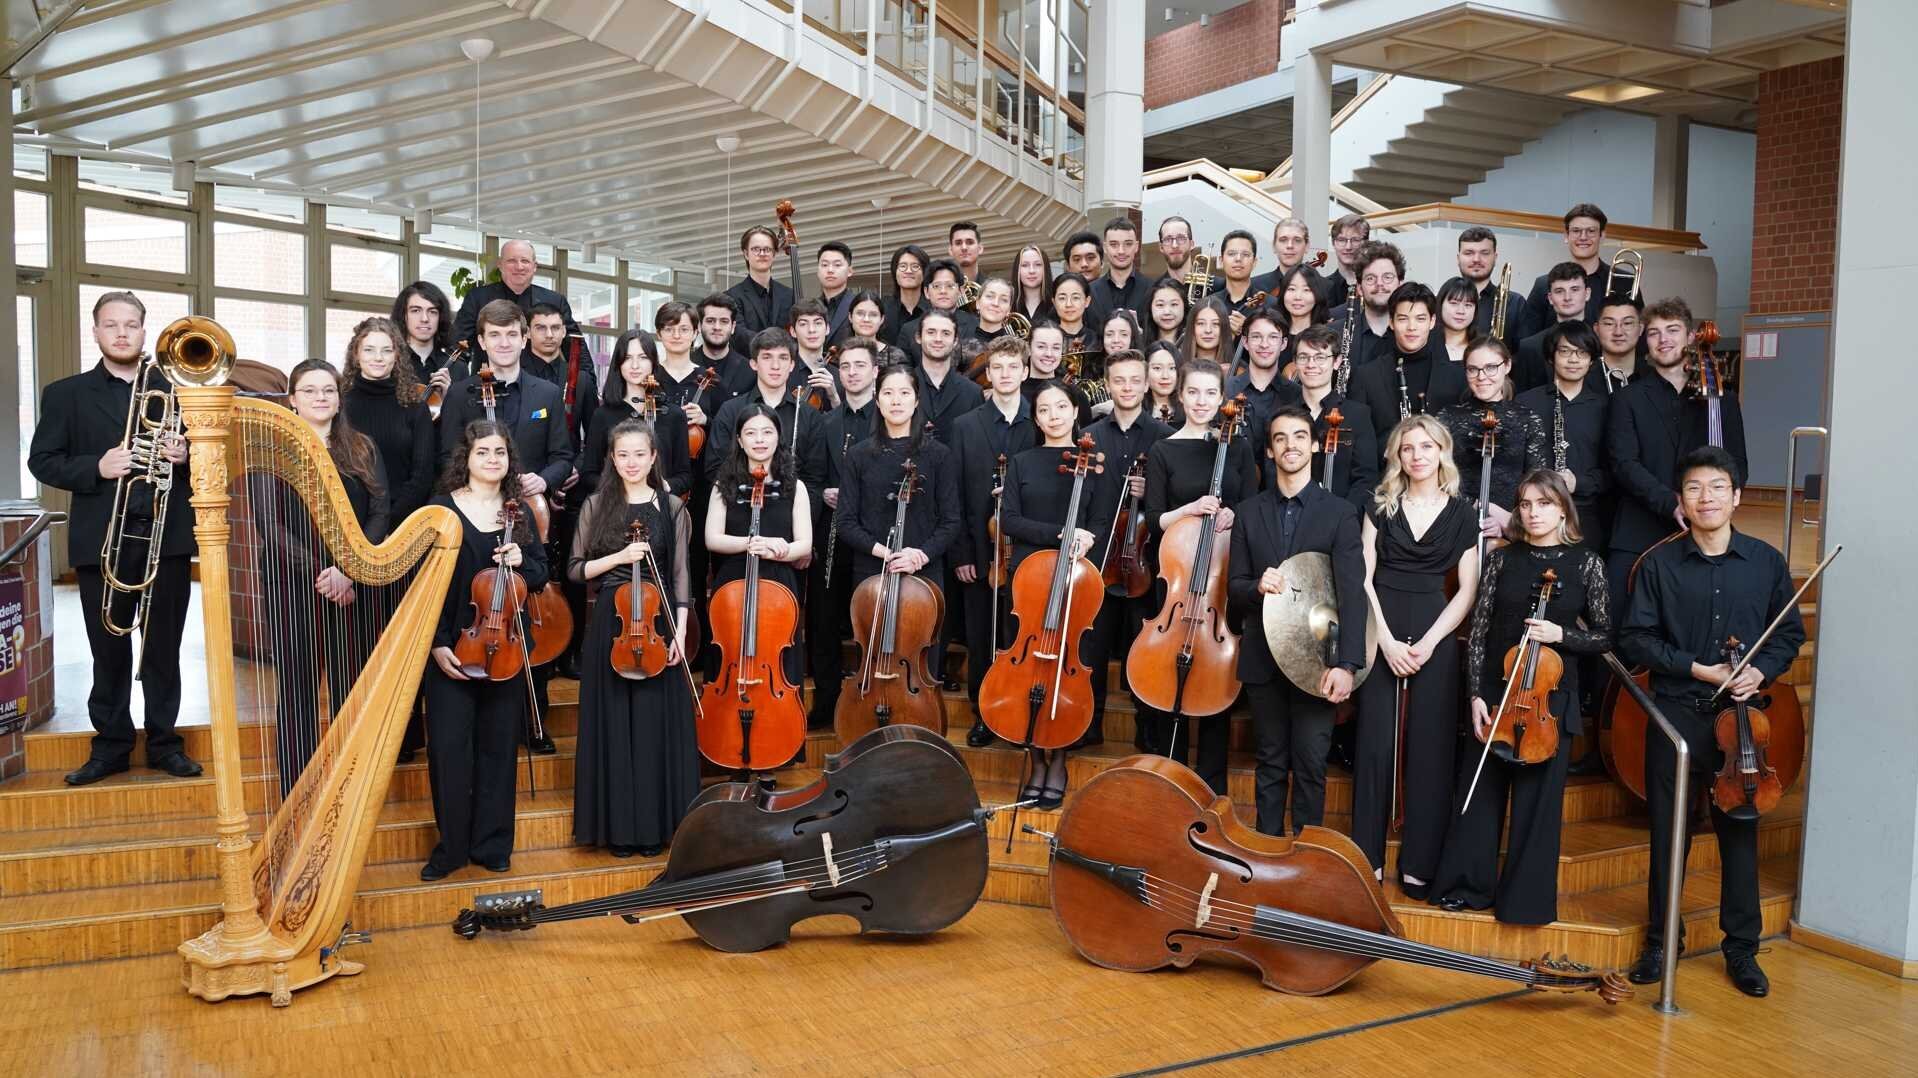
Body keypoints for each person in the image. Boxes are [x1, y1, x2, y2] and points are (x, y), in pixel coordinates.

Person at [1618, 446, 1803, 999]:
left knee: (1740, 830)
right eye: (1695, 489)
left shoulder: (1767, 563)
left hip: (1741, 720)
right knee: (1668, 835)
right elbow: (1637, 639)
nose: (1706, 498)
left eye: (1717, 488)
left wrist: (1760, 672)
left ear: (1737, 497)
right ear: (1682, 500)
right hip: (1676, 716)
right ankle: (1660, 940)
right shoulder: (1658, 564)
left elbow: (1789, 635)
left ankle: (1741, 947)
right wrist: (1697, 666)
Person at [30, 291, 200, 785]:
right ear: (96, 332)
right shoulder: (66, 393)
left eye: (131, 324)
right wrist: (96, 467)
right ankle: (111, 746)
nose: (122, 333)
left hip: (165, 538)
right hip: (101, 539)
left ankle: (166, 742)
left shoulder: (178, 389)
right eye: (111, 325)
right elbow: (42, 460)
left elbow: (210, 460)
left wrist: (185, 454)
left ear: (145, 331)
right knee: (108, 648)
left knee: (163, 647)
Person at [1431, 470, 1610, 924]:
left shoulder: (1586, 563)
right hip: (1496, 693)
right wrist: (1475, 694)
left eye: (1544, 504)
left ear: (1563, 510)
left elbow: (1607, 637)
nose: (1533, 513)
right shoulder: (1501, 560)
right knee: (1481, 796)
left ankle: (1524, 902)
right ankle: (1466, 887)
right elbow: (1480, 631)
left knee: (1538, 806)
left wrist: (1561, 634)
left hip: (1549, 702)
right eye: (1526, 504)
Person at [435, 299, 575, 753]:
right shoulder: (460, 393)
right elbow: (446, 458)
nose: (504, 342)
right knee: (481, 606)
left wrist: (543, 479)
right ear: (481, 341)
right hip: (476, 513)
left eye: (512, 334)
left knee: (528, 609)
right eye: (494, 335)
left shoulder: (546, 394)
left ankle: (533, 719)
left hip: (527, 514)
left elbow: (563, 457)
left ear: (524, 337)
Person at [1353, 415, 1479, 895]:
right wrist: (1382, 638)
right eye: (1408, 449)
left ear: (1441, 452)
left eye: (1426, 447)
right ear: (1397, 456)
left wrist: (1429, 642)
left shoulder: (1464, 513)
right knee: (1374, 745)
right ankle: (1367, 859)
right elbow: (1363, 576)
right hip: (1380, 622)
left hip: (1436, 630)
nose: (1417, 456)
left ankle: (1419, 861)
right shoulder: (1379, 505)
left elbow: (1467, 590)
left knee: (1431, 747)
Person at [421, 421, 549, 880]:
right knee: (450, 751)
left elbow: (539, 576)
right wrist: (436, 644)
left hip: (507, 648)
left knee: (498, 748)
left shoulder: (521, 513)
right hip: (453, 646)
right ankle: (451, 847)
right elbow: (424, 585)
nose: (492, 459)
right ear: (466, 459)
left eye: (500, 452)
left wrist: (523, 561)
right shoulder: (441, 510)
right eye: (483, 452)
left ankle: (493, 844)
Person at [1227, 405, 1364, 836]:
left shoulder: (1339, 512)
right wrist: (1255, 587)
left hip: (1319, 662)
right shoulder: (1249, 512)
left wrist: (1346, 664)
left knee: (1309, 765)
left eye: (1300, 436)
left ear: (1316, 445)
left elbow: (1352, 593)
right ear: (1269, 451)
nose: (1291, 445)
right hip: (1264, 658)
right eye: (1281, 438)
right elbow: (1234, 587)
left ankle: (1307, 862)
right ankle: (1266, 853)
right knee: (1270, 762)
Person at [570, 419, 698, 858]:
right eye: (622, 454)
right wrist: (619, 557)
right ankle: (619, 830)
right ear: (611, 458)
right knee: (614, 724)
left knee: (652, 723)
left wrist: (680, 632)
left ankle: (656, 828)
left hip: (658, 618)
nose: (631, 462)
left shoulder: (671, 506)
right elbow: (574, 569)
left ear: (654, 457)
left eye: (639, 454)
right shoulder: (595, 504)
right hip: (614, 620)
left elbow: (681, 576)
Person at [264, 359, 391, 793]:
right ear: (293, 399)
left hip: (352, 583)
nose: (321, 398)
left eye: (329, 390)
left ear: (339, 398)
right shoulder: (274, 448)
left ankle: (346, 783)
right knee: (298, 688)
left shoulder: (361, 447)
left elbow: (380, 511)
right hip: (293, 584)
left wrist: (348, 570)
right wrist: (322, 572)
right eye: (310, 390)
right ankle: (296, 789)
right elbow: (270, 524)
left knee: (349, 685)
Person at [1138, 358, 1260, 793]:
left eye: (1211, 393)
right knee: (1167, 674)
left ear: (1222, 398)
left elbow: (1252, 507)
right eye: (1194, 392)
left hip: (1220, 580)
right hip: (1177, 577)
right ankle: (1168, 779)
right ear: (1180, 395)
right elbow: (1154, 519)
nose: (1202, 401)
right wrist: (1190, 510)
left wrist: (1233, 512)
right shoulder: (1163, 449)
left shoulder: (1238, 447)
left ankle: (1211, 787)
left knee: (1213, 683)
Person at [997, 381, 1103, 808]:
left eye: (1062, 406)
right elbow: (1010, 519)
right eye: (1045, 408)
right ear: (1035, 417)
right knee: (1027, 667)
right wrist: (1059, 534)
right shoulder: (1021, 462)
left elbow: (1098, 515)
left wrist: (1086, 539)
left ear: (1076, 411)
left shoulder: (1093, 462)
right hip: (1028, 577)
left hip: (1074, 578)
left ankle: (1056, 757)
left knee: (1064, 666)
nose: (1054, 414)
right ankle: (1033, 755)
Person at [1605, 297, 1748, 602]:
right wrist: (1670, 502)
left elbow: (1737, 464)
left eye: (1672, 330)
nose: (1663, 339)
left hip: (1704, 530)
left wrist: (1707, 503)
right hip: (1639, 529)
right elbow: (1623, 463)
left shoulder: (1721, 399)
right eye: (1654, 333)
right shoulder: (1627, 398)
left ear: (1691, 337)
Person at [1081, 350, 1171, 747]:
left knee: (1142, 648)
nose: (1128, 387)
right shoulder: (1090, 435)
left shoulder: (1163, 438)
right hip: (1098, 557)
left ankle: (1145, 729)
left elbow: (1172, 501)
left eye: (1136, 379)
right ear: (1108, 384)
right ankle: (1089, 725)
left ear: (1147, 383)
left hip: (1143, 562)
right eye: (1120, 380)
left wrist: (1151, 491)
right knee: (1093, 649)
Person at [951, 337, 1038, 748]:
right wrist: (964, 553)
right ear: (990, 373)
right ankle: (984, 713)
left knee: (1020, 633)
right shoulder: (966, 425)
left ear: (1025, 371)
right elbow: (956, 494)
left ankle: (1019, 712)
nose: (1005, 375)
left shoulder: (1040, 422)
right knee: (982, 635)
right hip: (980, 551)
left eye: (1012, 367)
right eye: (997, 367)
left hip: (1026, 550)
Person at [837, 363, 962, 630]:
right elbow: (846, 522)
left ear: (916, 401)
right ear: (877, 400)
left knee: (921, 654)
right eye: (888, 393)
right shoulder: (858, 456)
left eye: (904, 393)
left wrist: (920, 555)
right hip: (872, 572)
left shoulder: (939, 455)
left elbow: (951, 521)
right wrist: (887, 554)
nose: (896, 401)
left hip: (924, 572)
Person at [705, 404, 815, 704]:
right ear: (739, 440)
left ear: (778, 437)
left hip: (779, 582)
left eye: (767, 432)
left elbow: (804, 544)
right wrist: (750, 543)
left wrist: (781, 549)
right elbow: (712, 538)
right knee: (730, 650)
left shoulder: (796, 486)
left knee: (778, 654)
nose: (759, 439)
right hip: (734, 582)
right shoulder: (724, 484)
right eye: (750, 433)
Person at [811, 337, 882, 726]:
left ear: (874, 372)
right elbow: (810, 476)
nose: (852, 372)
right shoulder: (825, 423)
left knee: (872, 619)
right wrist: (823, 492)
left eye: (860, 365)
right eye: (846, 367)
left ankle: (871, 702)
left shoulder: (886, 420)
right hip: (831, 532)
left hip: (872, 535)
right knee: (824, 619)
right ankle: (825, 703)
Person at [1437, 338, 1549, 545]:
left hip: (1514, 528)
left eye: (1490, 368)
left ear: (1506, 366)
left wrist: (1510, 521)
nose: (1481, 377)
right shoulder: (1447, 417)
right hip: (1456, 521)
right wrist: (1481, 507)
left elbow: (1538, 484)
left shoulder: (1528, 420)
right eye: (1473, 369)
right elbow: (1437, 477)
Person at [1347, 282, 1467, 470]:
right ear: (1391, 322)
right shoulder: (1366, 376)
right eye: (1403, 319)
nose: (1412, 327)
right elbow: (1358, 445)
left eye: (1420, 319)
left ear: (1433, 321)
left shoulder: (1457, 376)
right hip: (1384, 482)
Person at [1517, 321, 1609, 552]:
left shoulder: (1605, 407)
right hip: (1534, 515)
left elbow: (1614, 469)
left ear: (1592, 359)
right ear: (1551, 357)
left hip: (1584, 515)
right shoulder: (1525, 403)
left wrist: (1579, 482)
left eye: (1582, 352)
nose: (1573, 359)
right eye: (1565, 351)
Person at [342, 316, 437, 520]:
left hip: (401, 523)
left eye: (387, 350)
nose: (378, 358)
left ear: (397, 356)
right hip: (348, 521)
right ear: (356, 355)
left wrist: (386, 521)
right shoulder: (339, 405)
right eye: (369, 350)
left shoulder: (415, 407)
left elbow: (422, 477)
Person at [581, 330, 693, 499]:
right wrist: (620, 489)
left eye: (643, 357)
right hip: (615, 508)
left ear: (653, 363)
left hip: (660, 506)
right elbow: (589, 475)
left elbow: (685, 476)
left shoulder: (674, 415)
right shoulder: (603, 415)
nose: (635, 365)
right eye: (627, 358)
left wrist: (667, 485)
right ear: (618, 363)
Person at [1295, 325, 1377, 512]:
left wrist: (1340, 517)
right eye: (1303, 357)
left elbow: (1366, 478)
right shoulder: (1284, 416)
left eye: (1320, 357)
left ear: (1337, 362)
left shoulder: (1357, 415)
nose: (1311, 364)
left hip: (1343, 521)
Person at [452, 240, 584, 345]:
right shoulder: (477, 298)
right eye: (511, 261)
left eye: (525, 261)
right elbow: (459, 345)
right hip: (487, 377)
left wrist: (584, 377)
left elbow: (576, 346)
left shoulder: (555, 301)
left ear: (534, 267)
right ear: (500, 264)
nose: (519, 267)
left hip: (541, 378)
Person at [1523, 203, 1609, 329]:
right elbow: (1529, 339)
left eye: (1591, 231)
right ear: (1566, 236)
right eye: (1576, 231)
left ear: (1602, 236)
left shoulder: (1624, 281)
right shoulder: (1543, 285)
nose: (1583, 237)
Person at [1326, 240, 1405, 372]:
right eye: (1370, 278)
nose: (1379, 283)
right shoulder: (1332, 334)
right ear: (1359, 289)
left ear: (1400, 284)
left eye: (1387, 277)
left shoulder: (1416, 335)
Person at [1513, 263, 1592, 392]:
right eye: (1559, 291)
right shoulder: (1529, 347)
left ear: (1587, 293)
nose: (1567, 297)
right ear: (1550, 298)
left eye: (1575, 289)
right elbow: (1521, 401)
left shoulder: (1603, 341)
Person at [897, 259, 980, 363]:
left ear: (960, 291)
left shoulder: (976, 325)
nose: (943, 291)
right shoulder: (909, 330)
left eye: (950, 286)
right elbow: (903, 372)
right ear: (926, 292)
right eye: (936, 286)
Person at [727, 224, 793, 344]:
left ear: (774, 254)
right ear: (746, 254)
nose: (762, 253)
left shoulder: (789, 295)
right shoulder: (731, 297)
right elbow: (739, 335)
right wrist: (773, 346)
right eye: (756, 249)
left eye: (767, 249)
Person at [1455, 227, 1521, 344]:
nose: (1476, 259)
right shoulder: (1441, 301)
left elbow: (1523, 354)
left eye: (1484, 253)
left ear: (1495, 258)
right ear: (1458, 258)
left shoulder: (1515, 303)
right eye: (1469, 253)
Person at [392, 280, 458, 396]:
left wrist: (449, 398)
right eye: (416, 311)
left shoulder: (457, 368)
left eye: (432, 312)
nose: (424, 318)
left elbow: (466, 414)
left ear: (440, 318)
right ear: (403, 316)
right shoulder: (389, 362)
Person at [1090, 216, 1151, 325]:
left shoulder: (1152, 289)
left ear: (1136, 247)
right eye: (1114, 244)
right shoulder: (1090, 291)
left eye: (1128, 244)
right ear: (1105, 247)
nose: (1121, 251)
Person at [1594, 293, 1645, 395]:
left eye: (1627, 323)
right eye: (1609, 324)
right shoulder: (1581, 378)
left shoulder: (1655, 378)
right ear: (1596, 329)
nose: (1618, 332)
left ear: (1641, 329)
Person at [880, 244, 931, 346]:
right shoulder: (882, 309)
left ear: (925, 272)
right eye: (903, 266)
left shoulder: (934, 309)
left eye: (915, 266)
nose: (908, 271)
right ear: (895, 272)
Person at [815, 240, 857, 338]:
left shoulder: (857, 305)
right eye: (824, 265)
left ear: (850, 271)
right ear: (818, 271)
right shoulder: (812, 307)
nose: (830, 270)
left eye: (837, 265)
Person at [1435, 277, 1478, 366]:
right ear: (1440, 304)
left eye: (1468, 305)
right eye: (1454, 303)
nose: (1461, 311)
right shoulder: (1426, 344)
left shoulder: (1482, 348)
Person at [1008, 243, 1055, 325]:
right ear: (1017, 270)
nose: (1032, 271)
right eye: (1025, 265)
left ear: (1045, 269)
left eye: (1038, 265)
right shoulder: (1007, 304)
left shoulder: (1056, 304)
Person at [1180, 296, 1233, 366]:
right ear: (1192, 327)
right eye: (1201, 323)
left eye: (1216, 324)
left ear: (1224, 328)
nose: (1208, 330)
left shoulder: (1238, 370)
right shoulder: (1175, 365)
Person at [1144, 341, 1184, 428]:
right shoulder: (1136, 411)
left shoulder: (1189, 410)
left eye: (1172, 368)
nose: (1165, 376)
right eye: (1157, 368)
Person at [1146, 276, 1188, 350]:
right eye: (1160, 305)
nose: (1167, 312)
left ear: (1184, 306)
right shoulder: (1140, 344)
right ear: (1150, 307)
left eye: (1174, 304)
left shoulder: (1193, 345)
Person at [948, 221, 985, 292]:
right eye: (958, 243)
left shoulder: (993, 287)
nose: (964, 247)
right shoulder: (940, 290)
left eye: (970, 242)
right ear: (950, 250)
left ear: (980, 249)